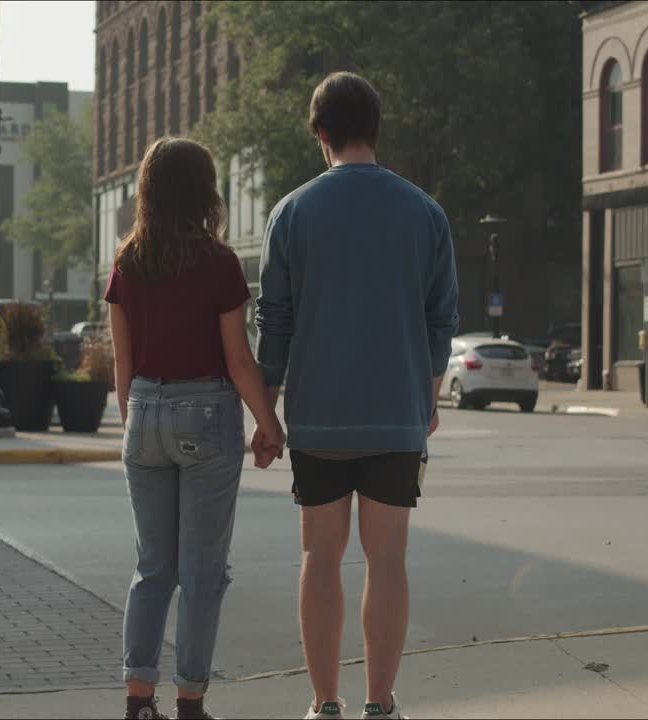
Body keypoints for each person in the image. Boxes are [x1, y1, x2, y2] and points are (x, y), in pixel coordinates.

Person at [253, 72, 460, 720]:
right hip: (395, 417)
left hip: (317, 418)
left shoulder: (291, 213)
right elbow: (440, 320)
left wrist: (267, 414)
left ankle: (324, 704)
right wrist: (424, 396)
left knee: (320, 555)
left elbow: (276, 323)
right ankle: (379, 705)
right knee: (387, 558)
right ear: (376, 129)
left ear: (321, 133)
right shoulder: (425, 212)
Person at [107, 137, 287, 720]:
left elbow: (122, 363)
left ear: (147, 190)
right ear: (206, 190)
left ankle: (137, 703)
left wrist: (133, 421)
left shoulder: (127, 261)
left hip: (143, 412)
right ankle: (189, 703)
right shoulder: (219, 263)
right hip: (205, 416)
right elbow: (238, 360)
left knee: (151, 567)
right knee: (202, 572)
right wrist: (269, 424)